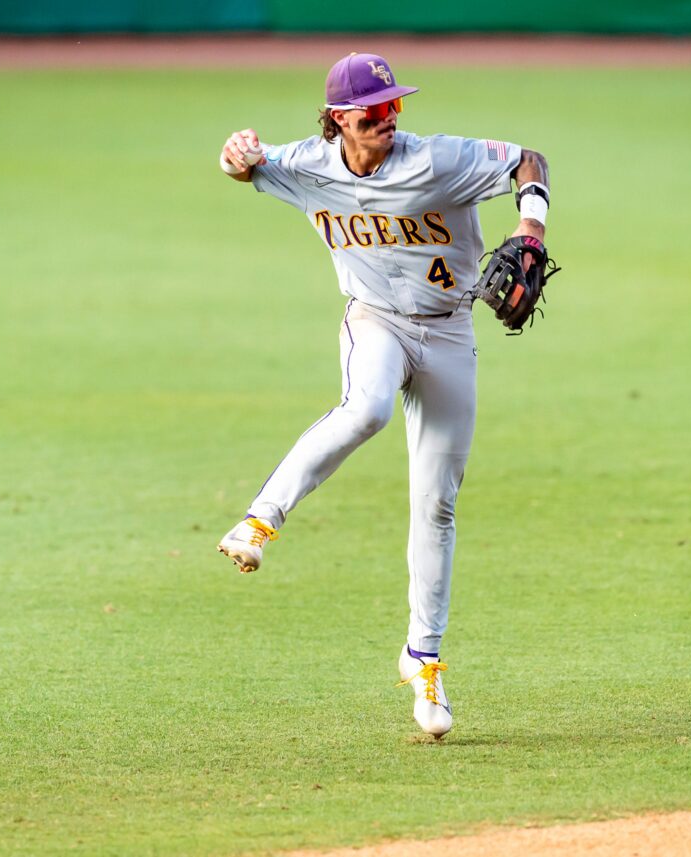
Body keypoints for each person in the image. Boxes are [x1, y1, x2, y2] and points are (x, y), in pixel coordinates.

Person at [216, 52, 550, 738]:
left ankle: (422, 660)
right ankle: (258, 520)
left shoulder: (437, 160)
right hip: (374, 320)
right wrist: (236, 154)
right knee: (365, 407)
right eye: (374, 113)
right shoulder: (308, 164)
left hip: (450, 332)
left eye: (396, 106)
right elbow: (246, 163)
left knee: (438, 502)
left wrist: (529, 230)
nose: (389, 121)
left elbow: (529, 159)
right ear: (340, 120)